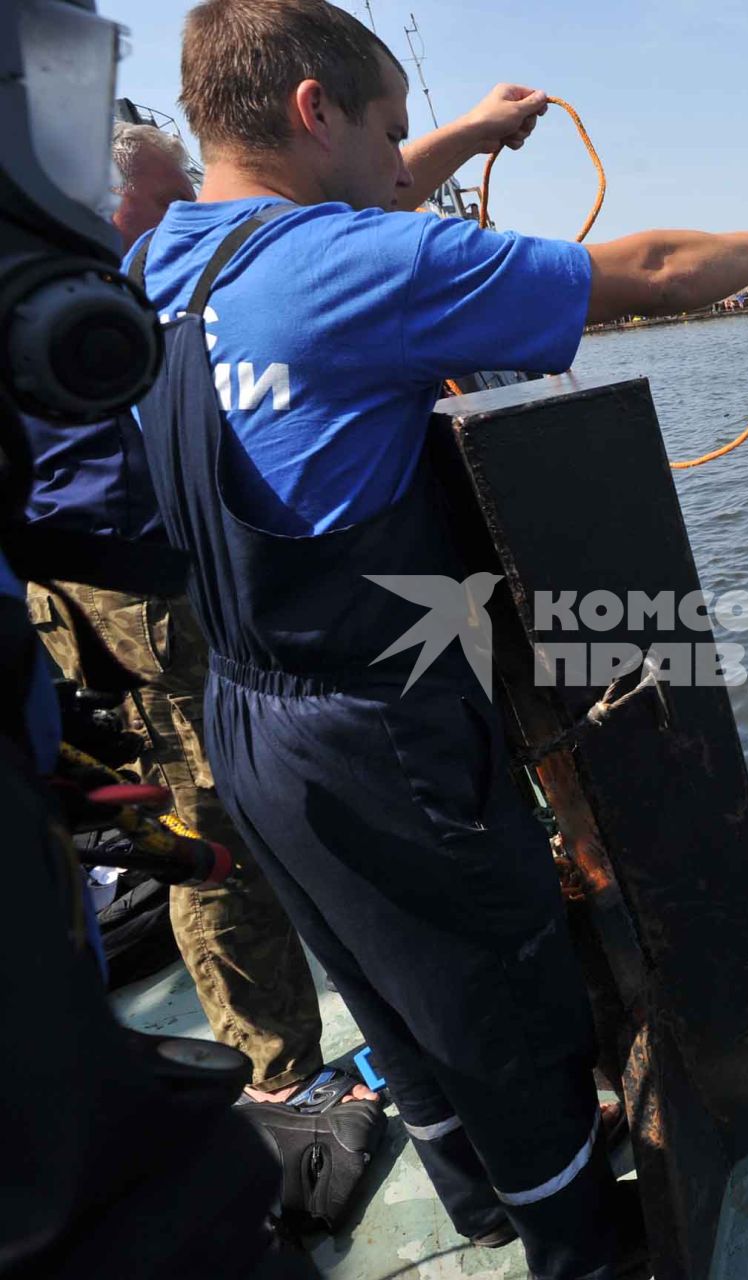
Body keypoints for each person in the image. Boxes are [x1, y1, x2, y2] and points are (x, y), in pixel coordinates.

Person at [126, 1, 748, 1275]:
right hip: (375, 727)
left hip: (241, 707)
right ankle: (581, 1245)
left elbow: (367, 193)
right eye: (389, 130)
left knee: (391, 996)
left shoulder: (167, 262)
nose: (404, 165)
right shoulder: (357, 268)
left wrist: (468, 130)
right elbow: (658, 271)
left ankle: (481, 1203)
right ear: (312, 109)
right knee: (500, 1000)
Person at [24, 121, 383, 1113]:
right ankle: (281, 1074)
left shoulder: (70, 295)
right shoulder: (87, 297)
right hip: (131, 589)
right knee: (209, 817)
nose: (194, 206)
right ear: (109, 204)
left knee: (208, 797)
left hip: (114, 576)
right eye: (172, 189)